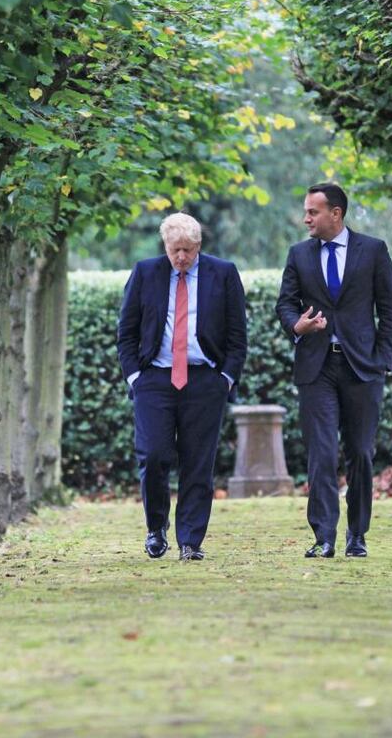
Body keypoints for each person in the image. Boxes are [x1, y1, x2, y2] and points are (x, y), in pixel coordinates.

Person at [276, 182, 392, 558]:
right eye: (306, 211)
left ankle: (357, 535)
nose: (306, 219)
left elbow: (390, 310)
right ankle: (324, 536)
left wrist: (383, 360)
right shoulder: (299, 254)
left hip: (362, 368)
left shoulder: (373, 250)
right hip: (316, 368)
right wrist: (297, 326)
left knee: (360, 452)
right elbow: (285, 304)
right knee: (322, 453)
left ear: (336, 213)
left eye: (312, 212)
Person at [118, 213, 247, 561]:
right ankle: (156, 526)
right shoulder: (145, 272)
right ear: (165, 246)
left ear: (198, 245)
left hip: (205, 380)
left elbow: (238, 336)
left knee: (198, 463)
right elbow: (126, 332)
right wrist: (135, 377)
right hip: (155, 380)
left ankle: (190, 541)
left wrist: (225, 378)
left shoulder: (223, 273)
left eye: (188, 250)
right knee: (154, 455)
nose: (181, 257)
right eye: (175, 249)